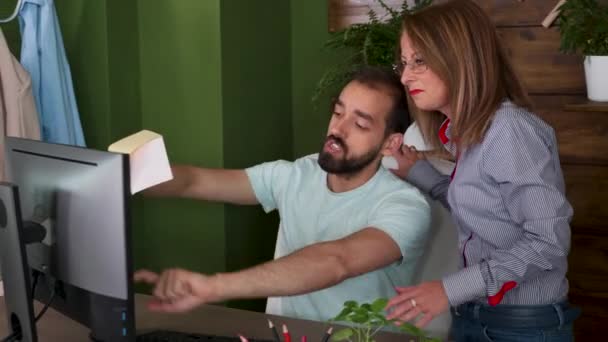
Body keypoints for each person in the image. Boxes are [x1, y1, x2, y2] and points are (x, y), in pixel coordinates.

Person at [134, 67, 431, 323]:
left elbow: (336, 261)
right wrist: (124, 177)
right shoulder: (297, 175)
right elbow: (193, 181)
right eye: (338, 112)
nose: (338, 129)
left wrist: (212, 287)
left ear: (390, 143)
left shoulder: (405, 206)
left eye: (360, 124)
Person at [384, 1, 580, 341]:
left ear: (459, 57)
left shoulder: (509, 131)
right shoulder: (469, 133)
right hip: (475, 318)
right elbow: (486, 211)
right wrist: (416, 170)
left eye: (419, 61)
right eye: (403, 63)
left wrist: (448, 289)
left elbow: (548, 242)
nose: (404, 76)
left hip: (523, 328)